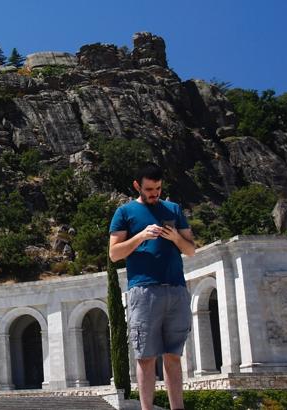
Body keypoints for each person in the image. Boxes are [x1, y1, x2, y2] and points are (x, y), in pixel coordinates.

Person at [109, 163, 196, 410]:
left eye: (158, 188)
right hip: (144, 291)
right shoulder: (125, 213)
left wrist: (175, 238)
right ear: (138, 186)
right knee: (146, 358)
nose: (154, 193)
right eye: (149, 189)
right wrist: (141, 236)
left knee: (173, 357)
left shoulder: (174, 209)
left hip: (176, 290)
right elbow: (114, 254)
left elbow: (190, 250)